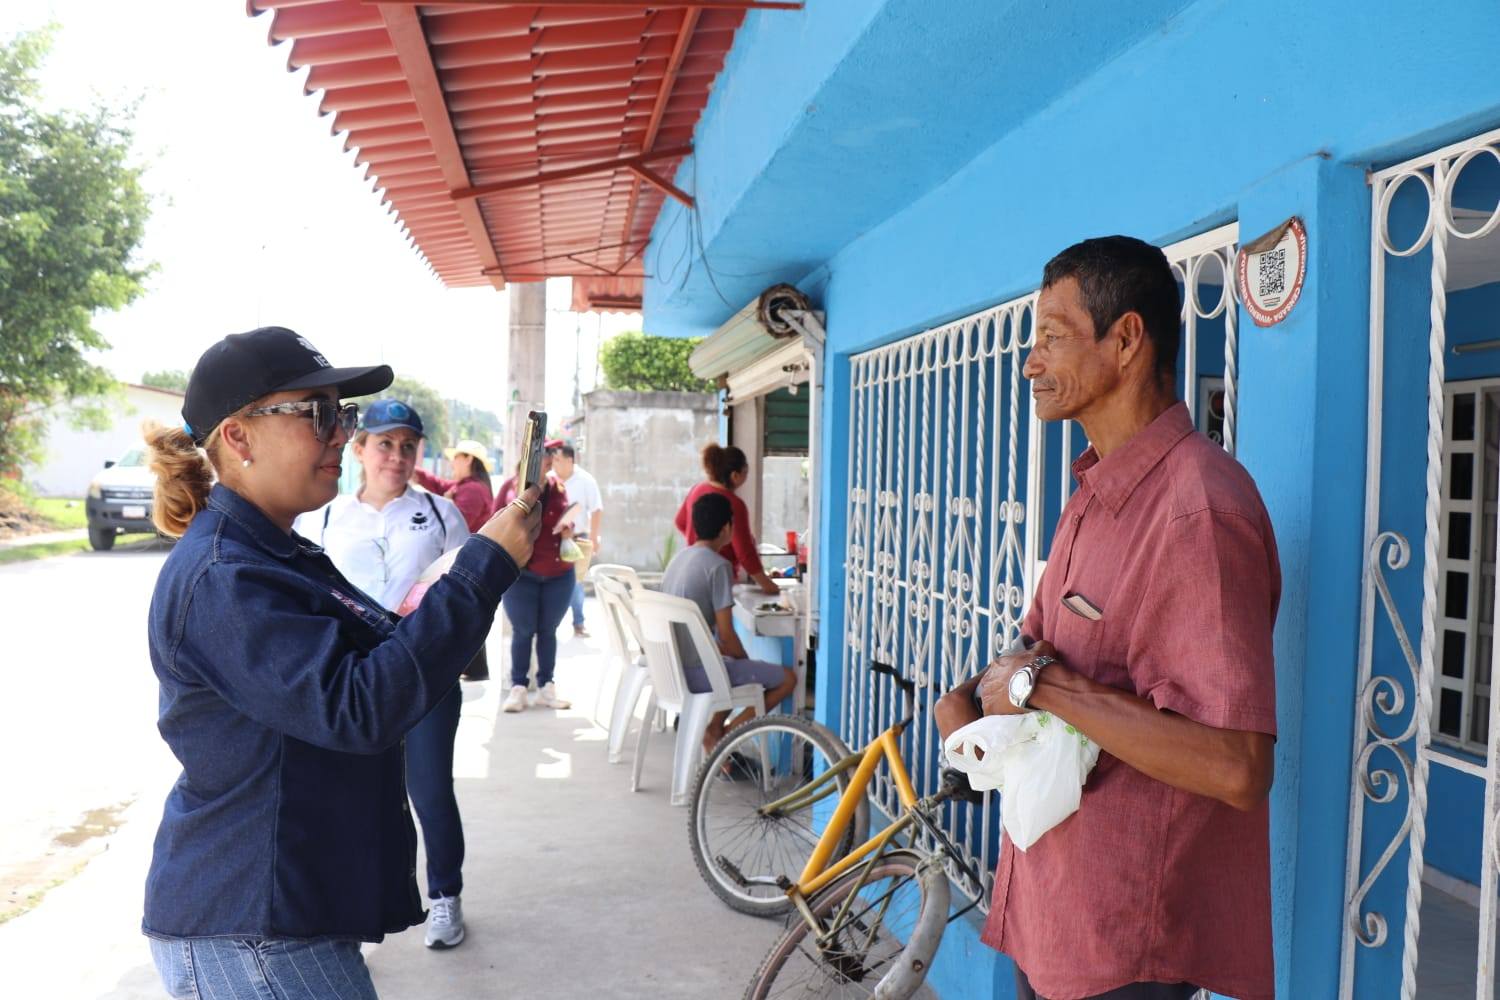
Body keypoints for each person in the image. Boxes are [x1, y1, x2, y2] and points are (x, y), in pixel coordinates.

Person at [140, 326, 540, 1000]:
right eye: (317, 414)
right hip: (253, 927)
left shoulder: (278, 553)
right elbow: (358, 707)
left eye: (342, 415)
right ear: (238, 437)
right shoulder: (225, 576)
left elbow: (382, 658)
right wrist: (482, 570)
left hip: (286, 914)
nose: (338, 435)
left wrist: (471, 579)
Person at [933, 237, 1279, 1000]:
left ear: (1125, 340)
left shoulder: (1199, 510)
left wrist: (1041, 688)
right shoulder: (1092, 495)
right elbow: (1036, 648)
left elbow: (1238, 767)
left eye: (1052, 337)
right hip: (1052, 909)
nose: (1030, 362)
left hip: (1125, 942)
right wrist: (971, 701)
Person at [292, 398, 473, 949]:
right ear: (360, 449)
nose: (397, 456)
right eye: (385, 444)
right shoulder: (323, 517)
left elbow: (467, 595)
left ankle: (445, 896)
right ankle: (353, 912)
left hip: (426, 675)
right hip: (353, 678)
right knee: (351, 797)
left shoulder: (441, 514)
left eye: (408, 446)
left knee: (430, 792)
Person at [662, 492, 798, 752]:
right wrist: (745, 661)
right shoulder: (718, 566)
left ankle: (715, 731)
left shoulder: (678, 559)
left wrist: (738, 660)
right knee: (787, 679)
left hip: (672, 668)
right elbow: (727, 634)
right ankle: (724, 741)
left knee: (730, 664)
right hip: (697, 673)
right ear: (727, 529)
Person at [494, 446, 575, 714]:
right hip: (521, 572)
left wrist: (568, 529)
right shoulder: (511, 487)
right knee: (523, 630)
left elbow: (565, 518)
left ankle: (546, 687)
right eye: (545, 458)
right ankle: (518, 687)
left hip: (557, 573)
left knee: (548, 631)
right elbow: (496, 521)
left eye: (550, 459)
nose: (549, 462)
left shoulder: (558, 488)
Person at [412, 438, 497, 680]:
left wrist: (447, 503)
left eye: (456, 458)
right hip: (471, 564)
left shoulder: (472, 490)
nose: (452, 463)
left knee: (462, 617)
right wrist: (416, 472)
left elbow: (456, 522)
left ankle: (472, 667)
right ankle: (474, 668)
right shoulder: (468, 486)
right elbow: (441, 486)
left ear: (469, 460)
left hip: (468, 564)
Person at [674, 443, 780, 595]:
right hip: (718, 578)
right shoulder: (734, 504)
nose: (746, 477)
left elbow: (680, 522)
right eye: (745, 472)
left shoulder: (697, 489)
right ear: (735, 475)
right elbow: (745, 552)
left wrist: (699, 542)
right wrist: (768, 585)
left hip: (693, 571)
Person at [550, 441, 603, 637]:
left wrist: (594, 537)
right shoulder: (550, 479)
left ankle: (578, 623)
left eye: (558, 459)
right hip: (553, 540)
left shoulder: (586, 480)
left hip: (578, 538)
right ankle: (550, 624)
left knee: (575, 582)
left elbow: (597, 509)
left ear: (569, 460)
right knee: (552, 582)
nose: (554, 463)